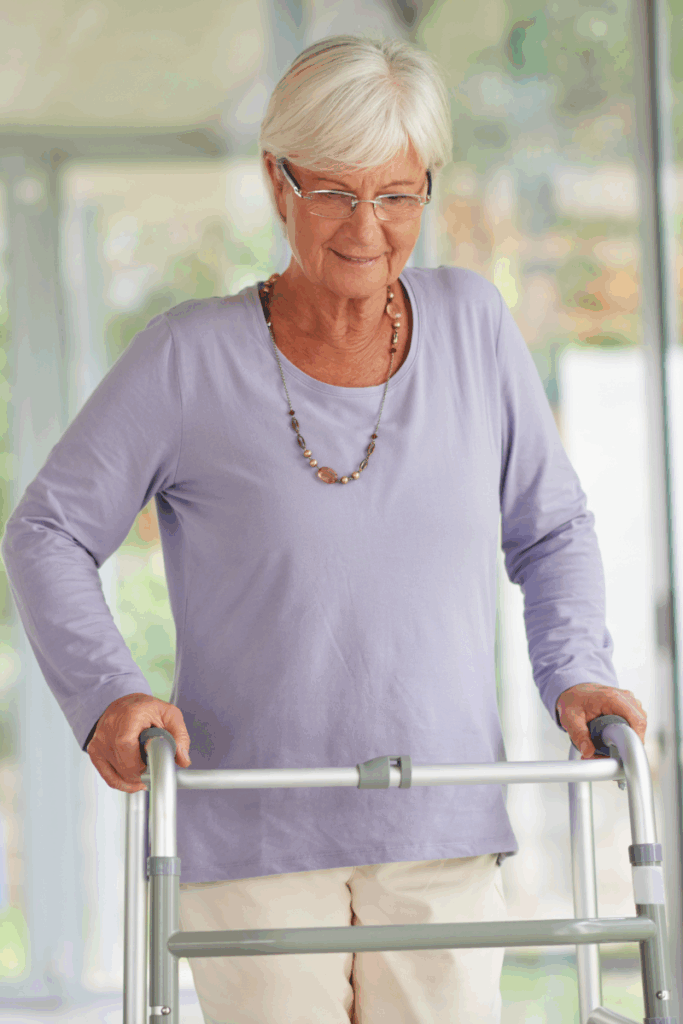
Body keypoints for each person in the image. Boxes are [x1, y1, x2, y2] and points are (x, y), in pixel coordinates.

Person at [0, 33, 647, 1024]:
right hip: (253, 840)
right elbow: (47, 527)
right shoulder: (188, 355)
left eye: (396, 195)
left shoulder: (474, 326)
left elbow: (551, 527)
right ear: (276, 182)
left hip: (440, 827)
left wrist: (575, 667)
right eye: (334, 192)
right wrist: (108, 694)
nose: (367, 227)